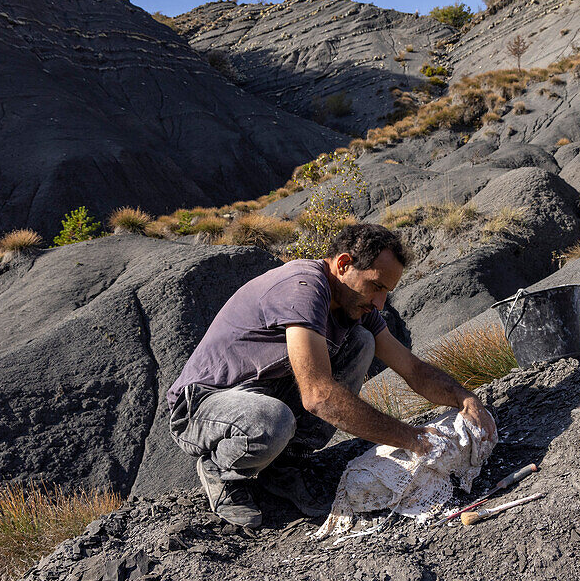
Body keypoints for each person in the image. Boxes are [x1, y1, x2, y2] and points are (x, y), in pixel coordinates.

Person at [166, 223, 496, 527]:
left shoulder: (355, 304)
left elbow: (412, 369)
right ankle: (221, 471)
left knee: (362, 342)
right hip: (203, 406)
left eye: (387, 292)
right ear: (343, 265)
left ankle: (285, 464)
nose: (379, 303)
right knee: (273, 422)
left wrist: (463, 397)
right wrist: (413, 439)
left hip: (263, 391)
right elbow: (318, 396)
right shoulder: (304, 288)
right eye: (376, 286)